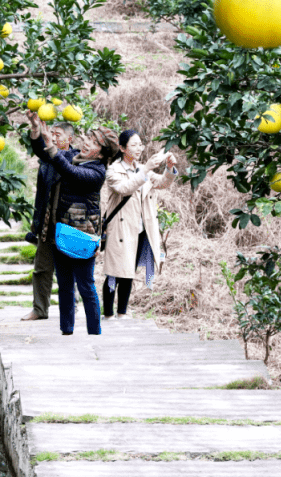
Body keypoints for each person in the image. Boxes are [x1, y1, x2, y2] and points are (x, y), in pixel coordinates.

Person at [28, 110, 117, 336]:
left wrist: (52, 146)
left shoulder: (96, 172)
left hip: (81, 237)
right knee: (65, 286)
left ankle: (93, 333)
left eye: (93, 142)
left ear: (101, 152)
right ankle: (66, 331)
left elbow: (68, 171)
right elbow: (47, 154)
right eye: (87, 138)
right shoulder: (74, 156)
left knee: (86, 287)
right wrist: (37, 130)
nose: (86, 142)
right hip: (62, 233)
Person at [102, 129, 176, 319]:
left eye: (140, 145)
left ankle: (122, 312)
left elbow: (162, 183)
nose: (139, 148)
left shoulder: (142, 169)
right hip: (120, 228)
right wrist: (146, 169)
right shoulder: (114, 170)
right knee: (114, 272)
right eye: (133, 145)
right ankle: (108, 313)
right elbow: (124, 188)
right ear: (122, 148)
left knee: (129, 271)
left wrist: (169, 168)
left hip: (139, 229)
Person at [22, 122, 77, 321]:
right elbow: (41, 151)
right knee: (42, 269)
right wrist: (36, 130)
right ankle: (39, 309)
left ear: (69, 139)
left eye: (57, 134)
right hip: (47, 223)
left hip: (68, 223)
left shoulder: (76, 158)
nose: (52, 137)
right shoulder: (47, 160)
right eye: (51, 133)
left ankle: (71, 308)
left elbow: (63, 162)